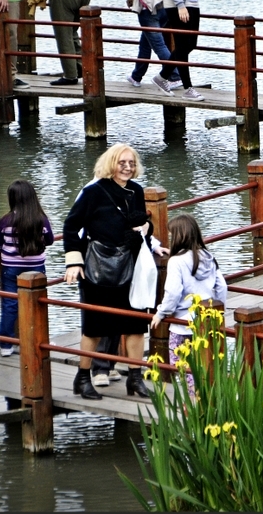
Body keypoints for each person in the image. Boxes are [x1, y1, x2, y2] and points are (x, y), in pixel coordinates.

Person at [63, 144, 155, 400]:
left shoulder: (136, 191)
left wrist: (147, 227)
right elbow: (71, 226)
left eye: (132, 163)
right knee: (94, 327)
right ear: (111, 163)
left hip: (131, 265)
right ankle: (83, 378)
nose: (127, 167)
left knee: (136, 324)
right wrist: (74, 261)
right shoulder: (94, 192)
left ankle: (135, 378)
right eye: (122, 162)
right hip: (98, 269)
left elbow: (138, 222)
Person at [150, 214, 228, 397]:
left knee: (183, 369)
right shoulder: (209, 256)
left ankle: (192, 403)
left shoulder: (176, 262)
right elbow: (222, 286)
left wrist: (161, 313)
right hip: (207, 322)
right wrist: (218, 311)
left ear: (178, 236)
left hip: (182, 325)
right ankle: (208, 400)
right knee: (207, 366)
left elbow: (173, 293)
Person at [0, 179, 54, 357]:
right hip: (36, 267)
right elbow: (49, 240)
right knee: (38, 304)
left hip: (10, 267)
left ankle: (6, 343)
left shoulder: (5, 221)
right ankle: (39, 340)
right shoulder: (41, 219)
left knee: (10, 304)